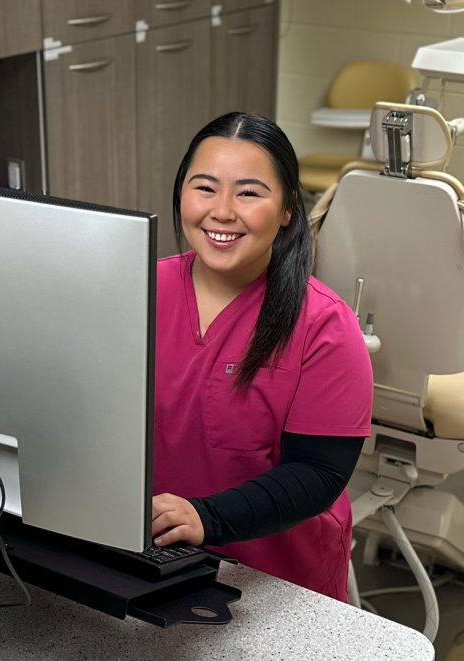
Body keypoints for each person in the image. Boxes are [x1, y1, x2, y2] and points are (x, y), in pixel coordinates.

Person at [150, 112, 373, 601]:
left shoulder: (323, 325)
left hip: (276, 582)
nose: (222, 211)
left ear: (288, 209)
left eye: (249, 193)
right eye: (204, 187)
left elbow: (319, 473)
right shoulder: (139, 288)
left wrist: (206, 518)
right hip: (155, 558)